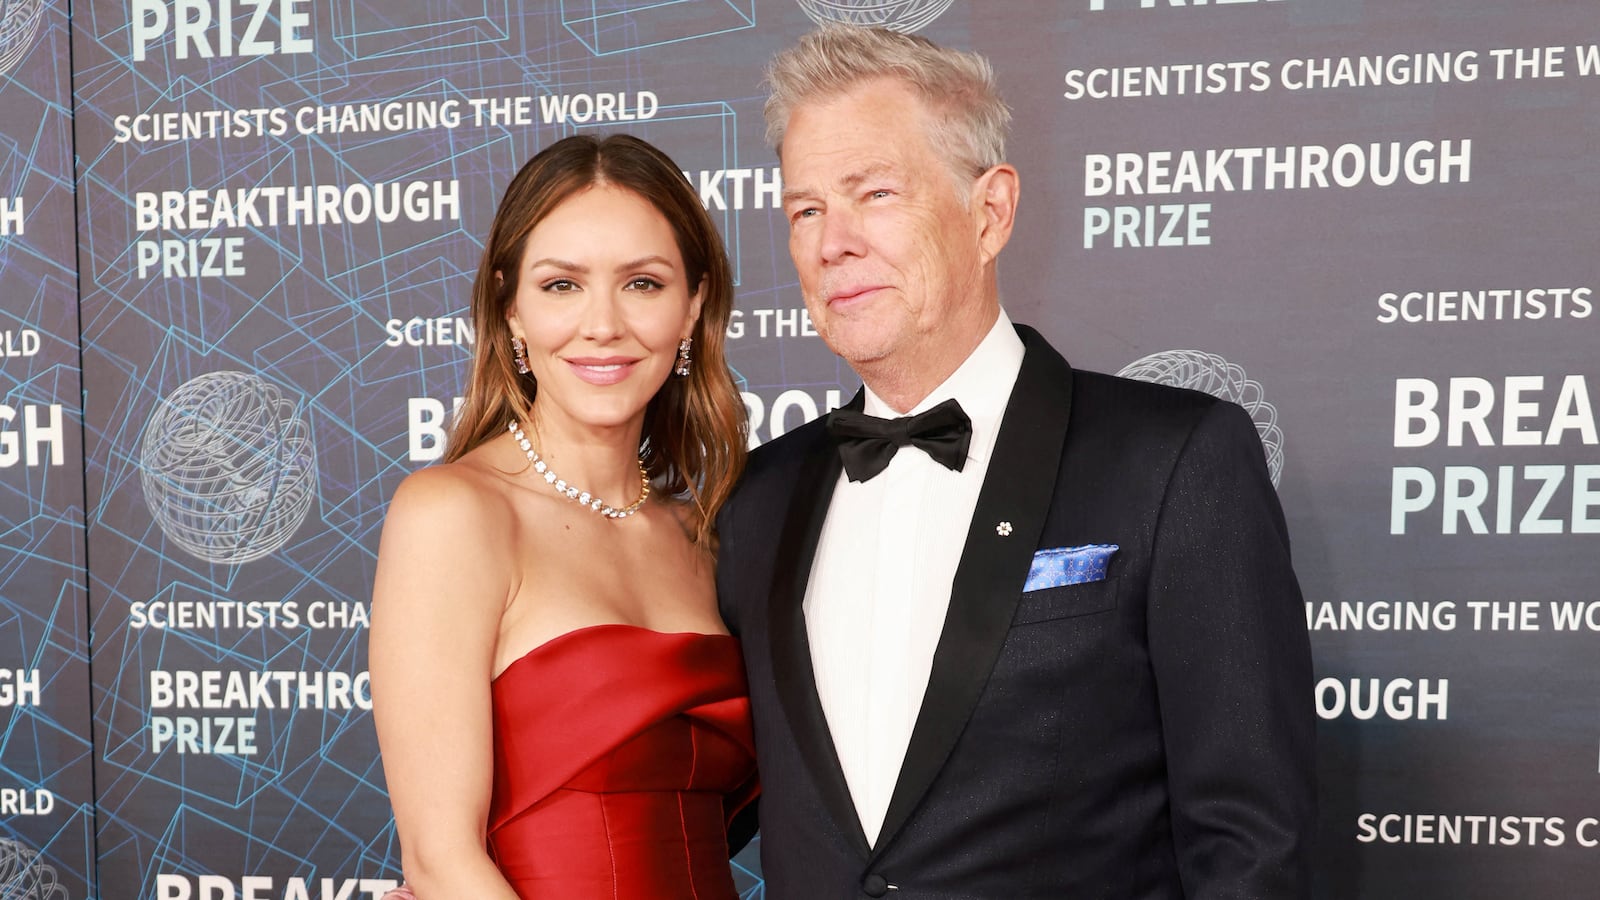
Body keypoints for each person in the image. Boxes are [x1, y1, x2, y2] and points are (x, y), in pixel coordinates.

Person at [715, 25, 1316, 898]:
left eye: (875, 193)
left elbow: (1249, 843)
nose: (832, 242)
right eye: (805, 210)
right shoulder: (757, 500)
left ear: (990, 212)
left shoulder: (1174, 462)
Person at [369, 133, 754, 899]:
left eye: (642, 283)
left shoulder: (706, 535)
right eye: (561, 285)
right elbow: (440, 861)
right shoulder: (453, 515)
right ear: (510, 308)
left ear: (693, 306)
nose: (602, 324)